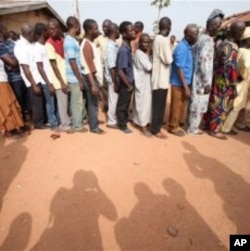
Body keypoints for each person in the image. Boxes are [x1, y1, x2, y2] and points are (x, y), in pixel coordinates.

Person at [204, 21, 246, 139]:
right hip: (224, 81)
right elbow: (231, 68)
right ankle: (214, 129)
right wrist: (233, 85)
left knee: (213, 102)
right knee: (221, 105)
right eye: (241, 31)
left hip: (216, 77)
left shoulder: (221, 43)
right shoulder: (233, 47)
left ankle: (208, 124)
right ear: (237, 32)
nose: (242, 34)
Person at [188, 9, 224, 135]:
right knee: (199, 102)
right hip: (203, 78)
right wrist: (207, 82)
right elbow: (205, 61)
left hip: (196, 76)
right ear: (209, 25)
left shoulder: (200, 38)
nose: (218, 28)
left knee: (194, 101)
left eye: (219, 26)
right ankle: (193, 129)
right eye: (216, 25)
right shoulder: (208, 41)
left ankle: (191, 125)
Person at [168, 24, 199, 137]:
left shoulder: (187, 47)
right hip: (179, 83)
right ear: (188, 35)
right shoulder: (182, 47)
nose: (197, 36)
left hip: (184, 83)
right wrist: (186, 87)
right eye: (195, 34)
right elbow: (179, 68)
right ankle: (173, 127)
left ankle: (176, 124)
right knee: (176, 105)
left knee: (180, 105)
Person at [14, 23, 46, 129]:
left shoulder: (30, 43)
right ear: (29, 33)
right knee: (36, 103)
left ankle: (42, 121)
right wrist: (34, 85)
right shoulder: (20, 47)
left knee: (40, 102)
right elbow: (25, 68)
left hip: (38, 77)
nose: (34, 35)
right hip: (33, 80)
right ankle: (38, 123)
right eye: (32, 33)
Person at [46, 18, 73, 133]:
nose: (51, 31)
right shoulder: (49, 44)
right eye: (49, 29)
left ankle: (69, 120)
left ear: (59, 28)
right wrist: (61, 82)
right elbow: (54, 65)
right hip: (59, 79)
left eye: (53, 28)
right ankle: (66, 125)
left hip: (68, 75)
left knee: (68, 102)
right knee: (63, 104)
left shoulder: (63, 39)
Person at [222, 27, 250, 134]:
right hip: (242, 81)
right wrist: (244, 75)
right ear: (248, 40)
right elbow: (246, 66)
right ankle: (226, 128)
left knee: (231, 104)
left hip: (235, 79)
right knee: (236, 106)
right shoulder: (246, 52)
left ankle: (225, 124)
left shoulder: (239, 49)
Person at [0, 23, 30, 122]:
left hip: (23, 75)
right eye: (5, 29)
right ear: (1, 31)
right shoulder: (1, 46)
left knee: (27, 100)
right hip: (13, 79)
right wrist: (19, 57)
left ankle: (29, 120)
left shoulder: (11, 42)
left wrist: (17, 58)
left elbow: (23, 54)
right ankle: (23, 122)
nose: (8, 31)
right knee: (19, 101)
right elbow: (12, 63)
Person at [80, 19, 105, 134]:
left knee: (93, 102)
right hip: (90, 78)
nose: (98, 31)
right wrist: (93, 84)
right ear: (89, 30)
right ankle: (94, 127)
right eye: (95, 28)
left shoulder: (90, 43)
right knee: (93, 103)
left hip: (93, 78)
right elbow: (88, 68)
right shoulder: (86, 45)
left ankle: (94, 121)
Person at [64, 16, 87, 133]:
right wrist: (80, 79)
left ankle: (78, 121)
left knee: (78, 100)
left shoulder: (72, 40)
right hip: (73, 77)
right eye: (79, 26)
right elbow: (72, 62)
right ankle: (77, 125)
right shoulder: (69, 41)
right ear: (75, 25)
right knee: (76, 101)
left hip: (75, 76)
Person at [34, 23, 59, 131]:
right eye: (47, 30)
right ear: (43, 32)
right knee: (50, 102)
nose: (49, 32)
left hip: (52, 79)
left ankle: (57, 121)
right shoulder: (37, 48)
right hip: (47, 81)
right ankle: (53, 124)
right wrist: (48, 84)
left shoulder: (45, 45)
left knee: (54, 102)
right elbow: (40, 67)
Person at [151, 17, 173, 139]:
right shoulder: (163, 40)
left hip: (157, 78)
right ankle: (156, 130)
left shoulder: (157, 39)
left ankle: (156, 126)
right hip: (161, 79)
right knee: (159, 106)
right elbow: (168, 59)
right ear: (168, 27)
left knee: (157, 105)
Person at [116, 21, 136, 134]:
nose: (134, 32)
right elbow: (120, 70)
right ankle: (122, 126)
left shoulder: (128, 47)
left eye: (134, 30)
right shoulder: (123, 50)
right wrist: (128, 85)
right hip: (125, 83)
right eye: (131, 30)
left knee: (127, 103)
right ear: (124, 34)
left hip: (129, 82)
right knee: (122, 105)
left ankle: (124, 119)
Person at [132, 33, 152, 136]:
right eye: (144, 42)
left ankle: (137, 121)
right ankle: (143, 127)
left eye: (148, 42)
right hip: (142, 83)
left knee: (142, 103)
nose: (147, 44)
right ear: (140, 43)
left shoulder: (143, 53)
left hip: (145, 82)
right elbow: (149, 67)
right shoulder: (139, 53)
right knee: (143, 105)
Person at [0, 58, 25, 138]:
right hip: (1, 83)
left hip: (4, 81)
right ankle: (10, 129)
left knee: (11, 104)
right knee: (6, 106)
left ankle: (16, 126)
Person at [104, 23, 120, 129]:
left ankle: (114, 118)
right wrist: (115, 82)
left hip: (115, 77)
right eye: (118, 30)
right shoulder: (110, 46)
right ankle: (111, 121)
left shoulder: (114, 44)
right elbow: (112, 66)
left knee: (115, 99)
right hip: (112, 78)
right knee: (113, 99)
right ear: (115, 31)